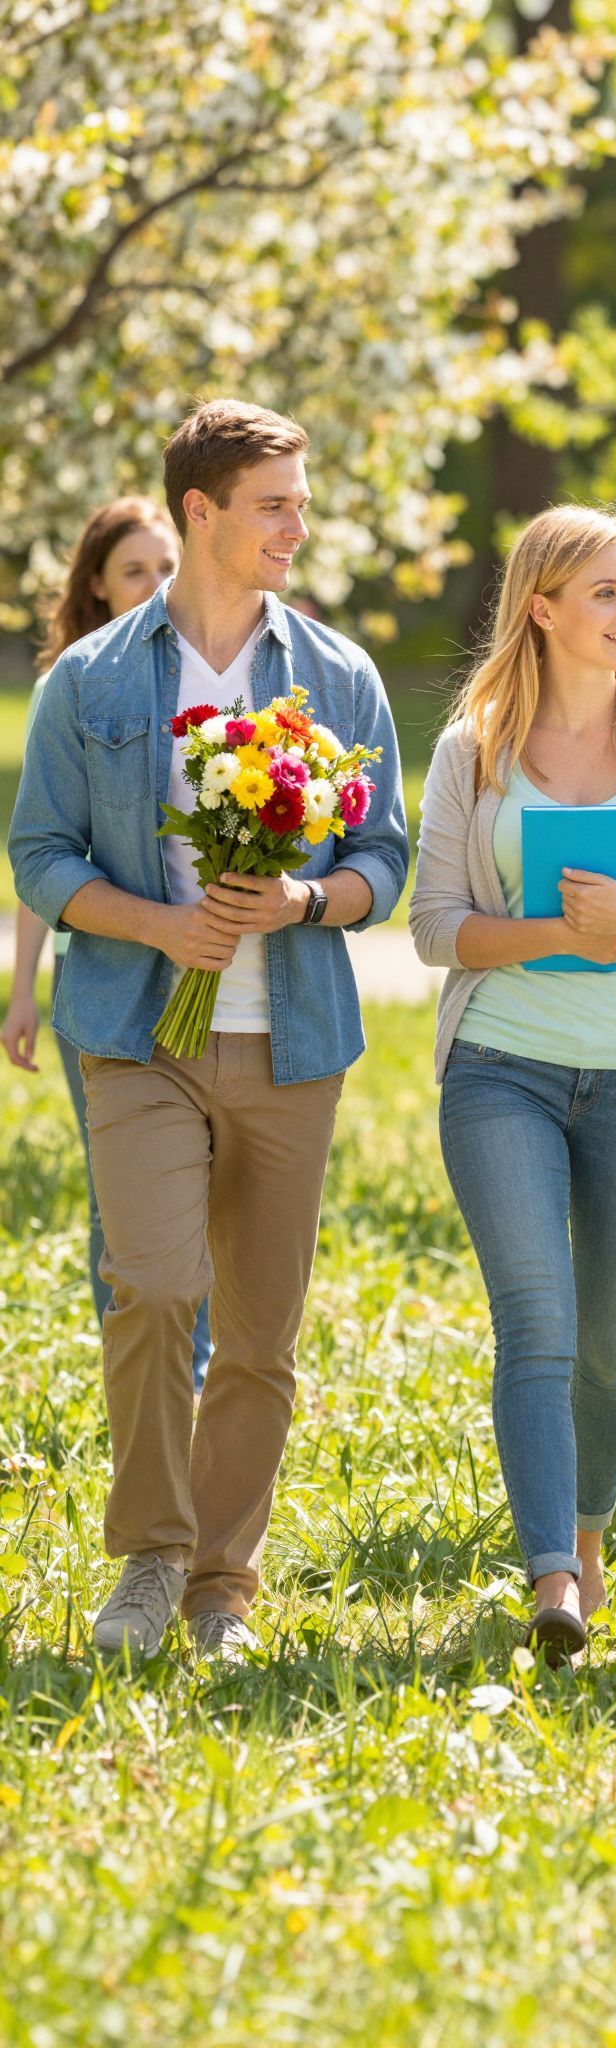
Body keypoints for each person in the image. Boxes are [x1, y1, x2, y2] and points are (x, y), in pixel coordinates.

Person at [10, 400, 408, 1660]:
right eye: (274, 503)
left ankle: (222, 1584)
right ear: (201, 512)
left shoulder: (338, 675)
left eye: (299, 499)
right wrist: (151, 923)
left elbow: (384, 858)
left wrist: (303, 895)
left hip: (291, 1041)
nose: (299, 523)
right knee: (155, 1286)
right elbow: (39, 854)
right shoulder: (94, 677)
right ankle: (148, 1558)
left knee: (258, 1330)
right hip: (134, 1032)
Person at [410, 505, 616, 1663]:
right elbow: (435, 930)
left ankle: (588, 1537)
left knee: (610, 1341)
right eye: (607, 591)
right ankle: (551, 1568)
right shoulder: (472, 751)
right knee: (538, 1323)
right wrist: (547, 928)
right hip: (503, 1066)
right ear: (541, 606)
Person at [1, 499, 214, 1392]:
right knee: (127, 1209)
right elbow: (43, 858)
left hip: (223, 988)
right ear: (95, 583)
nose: (158, 584)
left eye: (168, 564)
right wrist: (22, 994)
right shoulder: (72, 687)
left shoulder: (213, 676)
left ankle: (202, 1379)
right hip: (113, 991)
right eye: (135, 570)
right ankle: (156, 1377)